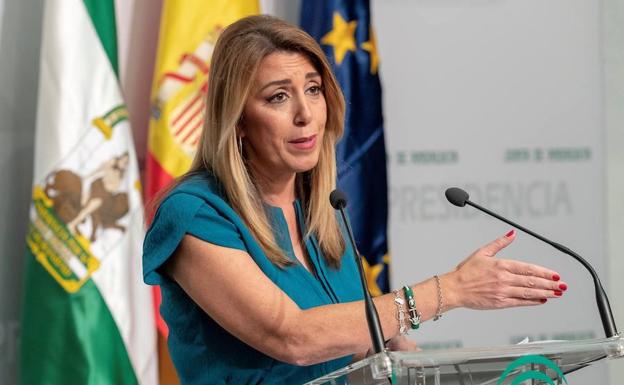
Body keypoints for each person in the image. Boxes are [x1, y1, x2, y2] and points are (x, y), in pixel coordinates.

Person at [142, 15, 568, 385]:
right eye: (278, 96)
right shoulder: (195, 213)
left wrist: (402, 355)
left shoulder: (324, 214)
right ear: (236, 120)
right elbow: (293, 338)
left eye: (313, 89)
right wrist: (452, 289)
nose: (305, 113)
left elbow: (352, 344)